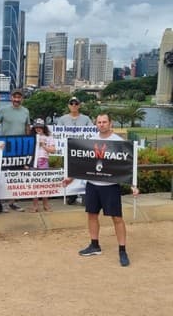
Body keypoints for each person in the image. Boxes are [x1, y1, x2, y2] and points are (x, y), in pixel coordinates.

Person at [63, 113, 139, 267]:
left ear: (110, 123)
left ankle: (122, 250)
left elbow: (125, 166)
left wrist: (133, 185)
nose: (102, 124)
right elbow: (83, 163)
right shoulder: (91, 141)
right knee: (92, 215)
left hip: (110, 187)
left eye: (104, 122)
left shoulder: (118, 142)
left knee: (117, 218)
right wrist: (70, 178)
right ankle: (94, 245)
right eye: (99, 122)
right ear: (95, 124)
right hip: (92, 185)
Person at [0, 88, 31, 212]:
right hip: (5, 148)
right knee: (3, 175)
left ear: (22, 99)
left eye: (19, 97)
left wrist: (30, 146)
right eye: (14, 97)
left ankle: (12, 202)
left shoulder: (26, 111)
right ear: (11, 98)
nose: (16, 99)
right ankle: (2, 202)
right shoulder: (3, 110)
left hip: (20, 148)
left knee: (17, 176)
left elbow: (27, 128)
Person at [58, 96, 94, 205]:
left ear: (79, 105)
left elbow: (92, 133)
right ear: (69, 105)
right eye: (72, 104)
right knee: (69, 172)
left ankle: (84, 195)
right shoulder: (62, 119)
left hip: (82, 151)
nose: (74, 105)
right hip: (68, 151)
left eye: (76, 104)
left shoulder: (86, 119)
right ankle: (71, 195)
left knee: (84, 173)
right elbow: (58, 135)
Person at [28, 118, 56, 213]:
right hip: (33, 162)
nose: (38, 129)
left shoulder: (49, 136)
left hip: (44, 161)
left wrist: (43, 145)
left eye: (40, 127)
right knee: (34, 184)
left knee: (44, 184)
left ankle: (46, 204)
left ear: (44, 127)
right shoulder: (31, 137)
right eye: (36, 127)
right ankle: (35, 206)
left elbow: (53, 150)